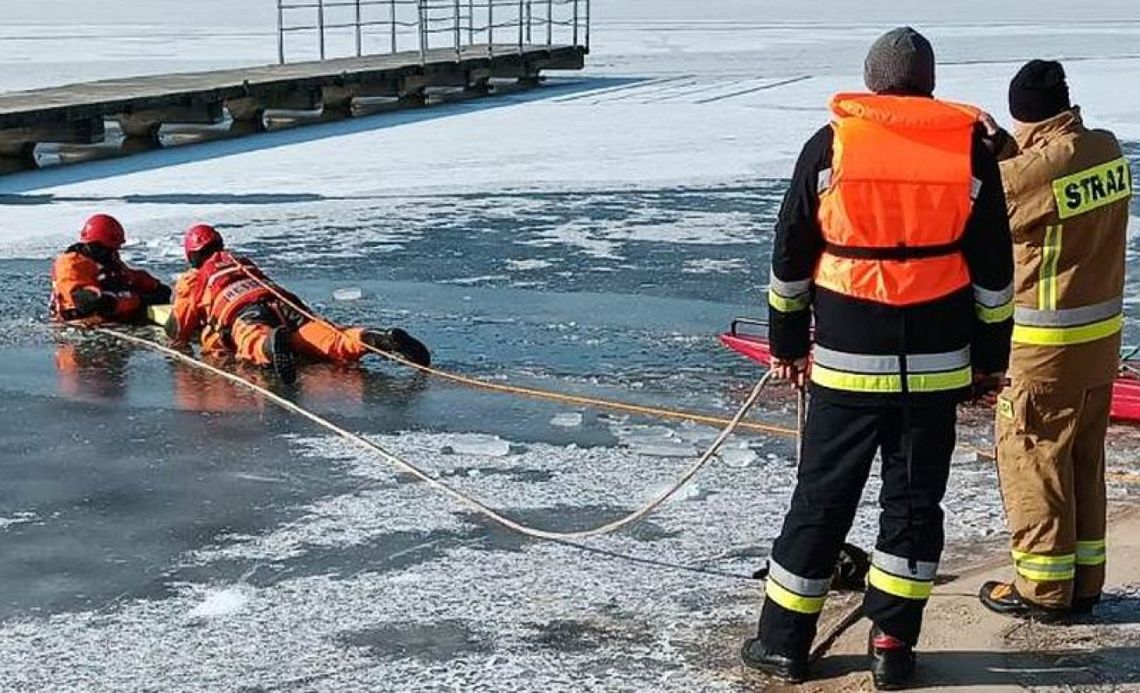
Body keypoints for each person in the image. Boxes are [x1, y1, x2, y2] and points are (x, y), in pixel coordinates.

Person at [739, 27, 1014, 689]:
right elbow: (995, 275)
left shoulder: (832, 144)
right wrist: (988, 361)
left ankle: (783, 642)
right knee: (915, 505)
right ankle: (893, 643)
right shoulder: (969, 151)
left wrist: (785, 344)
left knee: (821, 500)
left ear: (871, 82)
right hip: (937, 362)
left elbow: (790, 256)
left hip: (844, 362)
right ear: (928, 83)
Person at [976, 61, 1130, 622]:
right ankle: (1085, 583)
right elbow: (1049, 187)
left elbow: (989, 207)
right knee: (1082, 462)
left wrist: (990, 152)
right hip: (1099, 346)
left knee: (1034, 460)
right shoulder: (1106, 149)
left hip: (1044, 349)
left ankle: (1042, 590)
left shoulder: (1032, 170)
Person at [167, 224, 431, 384]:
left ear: (191, 256)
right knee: (332, 340)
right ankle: (376, 339)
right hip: (284, 304)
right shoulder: (240, 260)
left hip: (244, 312)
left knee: (252, 340)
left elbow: (178, 327)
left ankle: (272, 345)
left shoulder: (194, 278)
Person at [49, 214, 171, 326]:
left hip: (111, 319)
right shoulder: (71, 264)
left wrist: (154, 286)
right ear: (101, 246)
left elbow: (127, 276)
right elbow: (89, 302)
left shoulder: (104, 260)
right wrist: (135, 300)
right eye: (112, 249)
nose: (115, 253)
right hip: (79, 326)